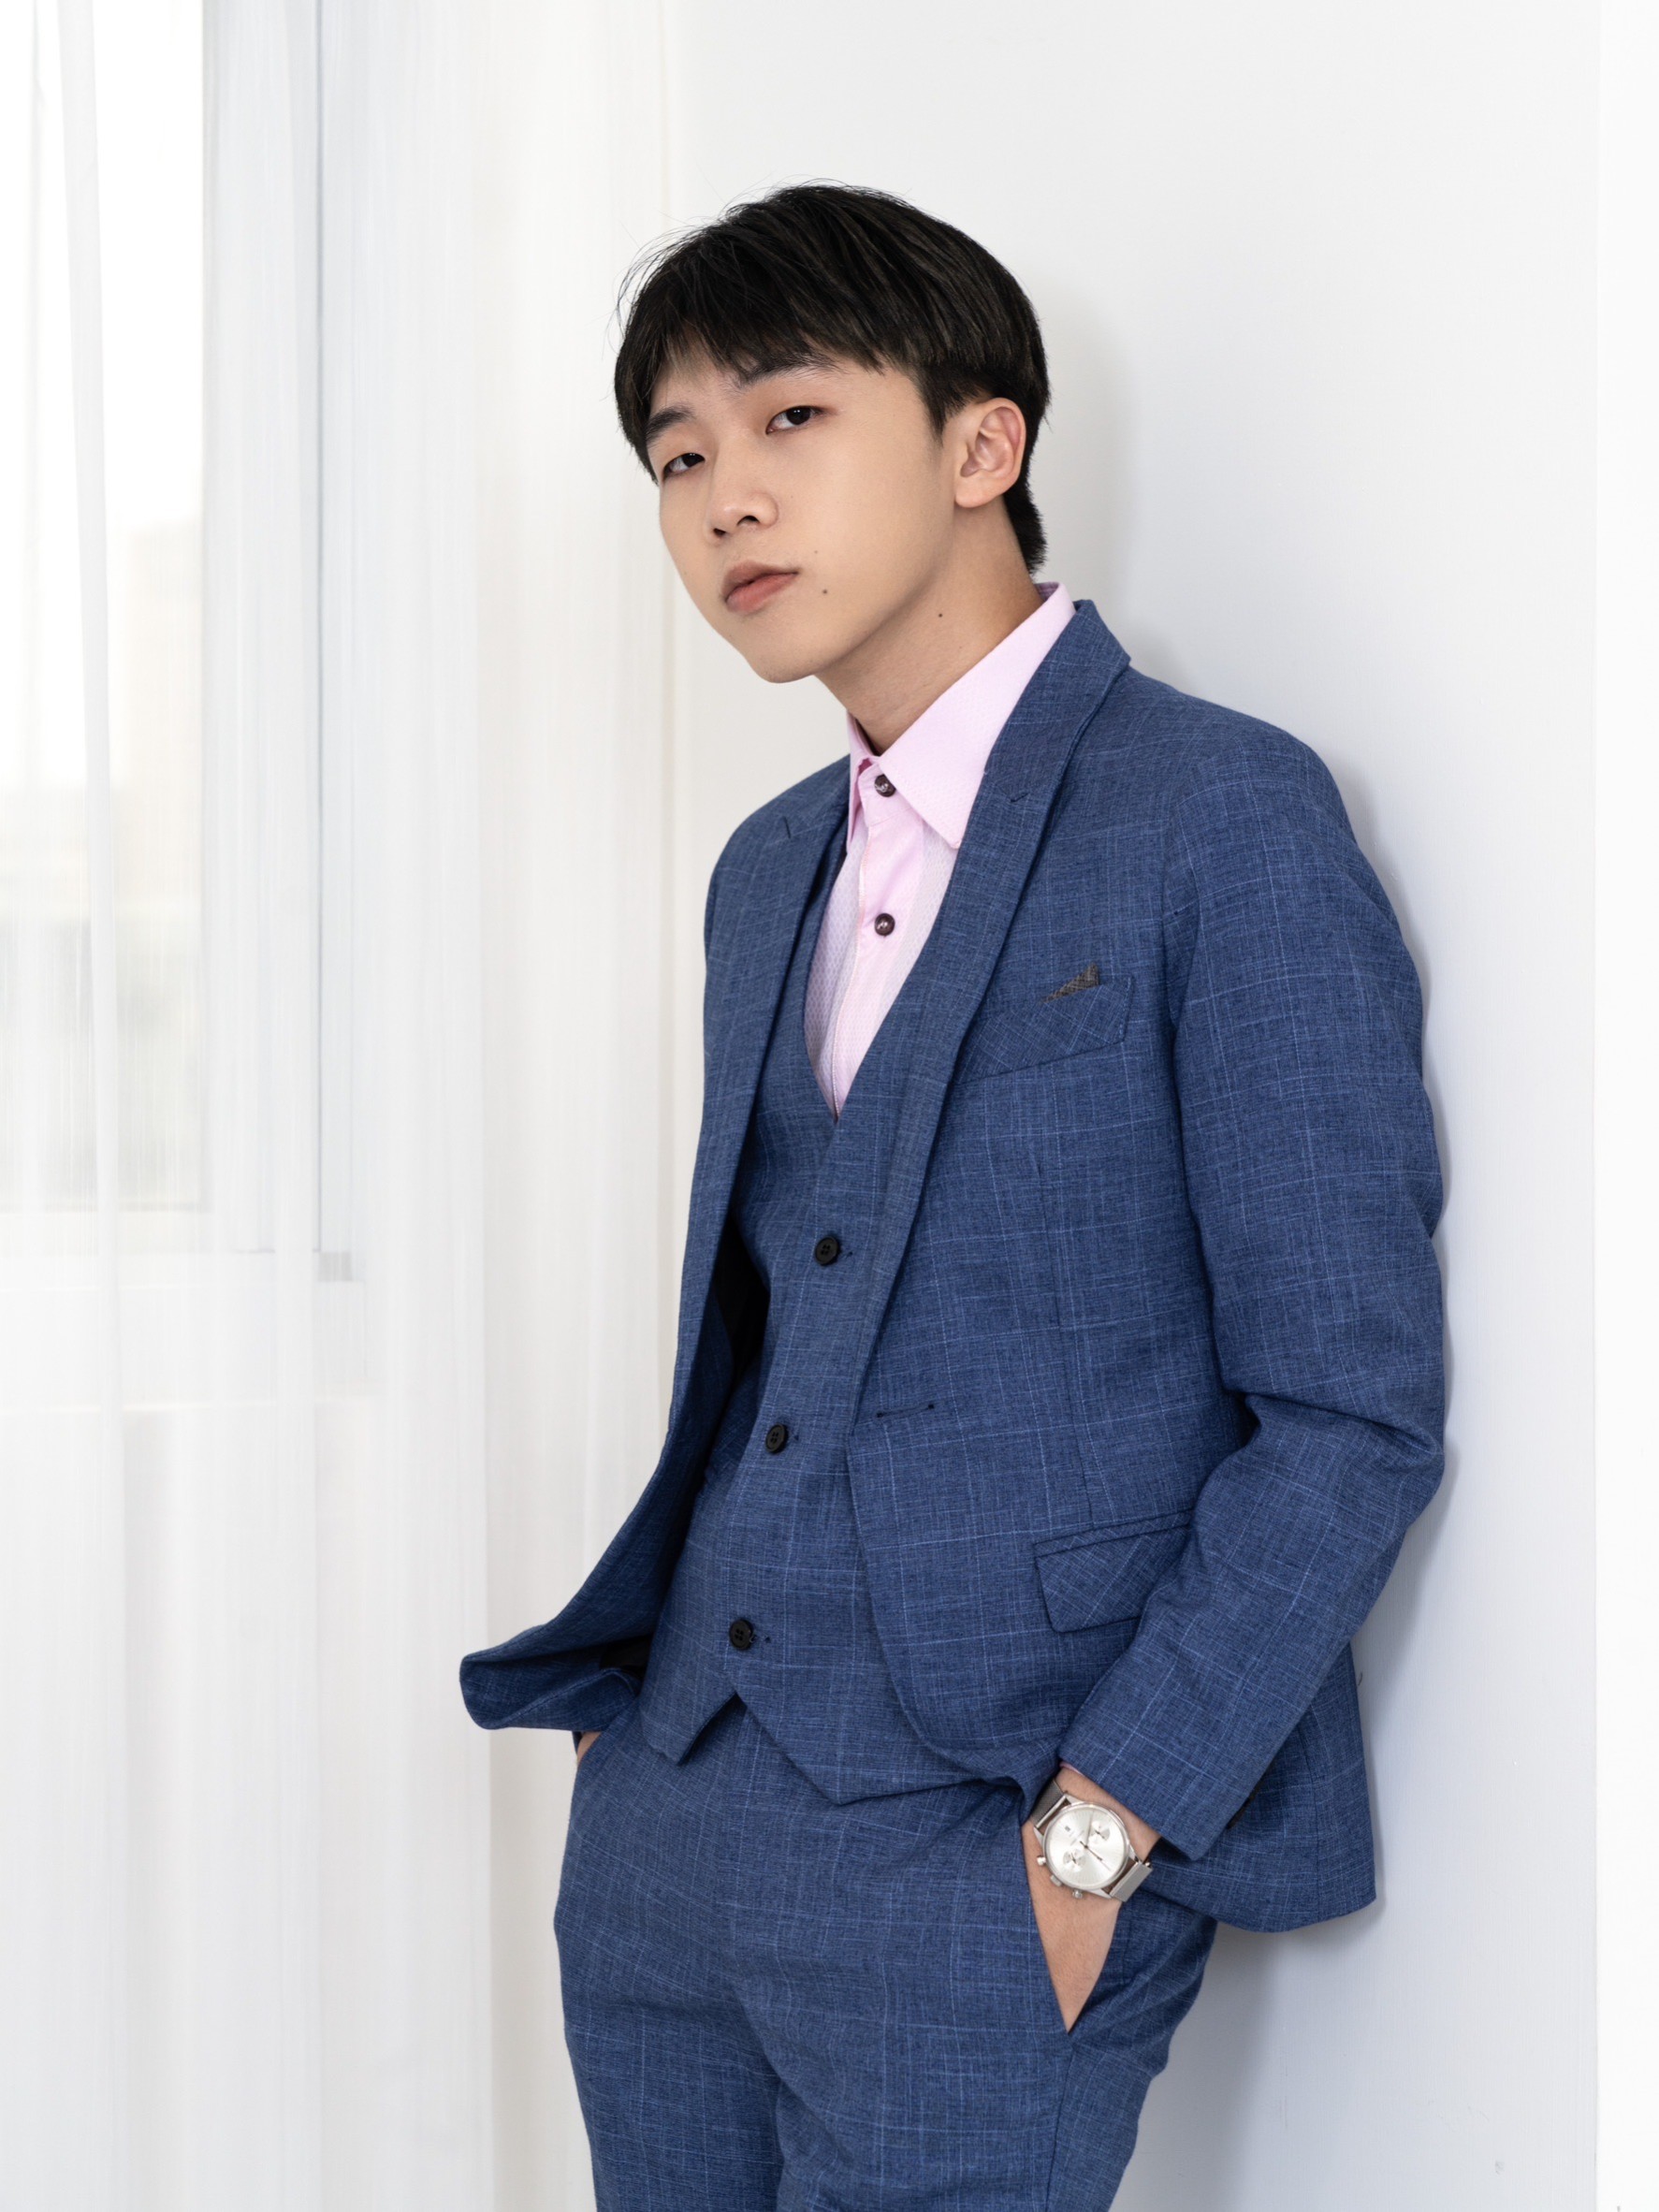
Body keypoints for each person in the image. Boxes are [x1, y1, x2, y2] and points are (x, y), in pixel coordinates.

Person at [459, 181, 1445, 2210]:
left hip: (980, 1855)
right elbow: (785, 1322)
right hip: (671, 1827)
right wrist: (627, 1752)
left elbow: (1346, 1411)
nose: (724, 499)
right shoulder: (766, 869)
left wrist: (1096, 1836)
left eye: (788, 417)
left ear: (982, 443)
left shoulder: (1220, 816)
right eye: (676, 456)